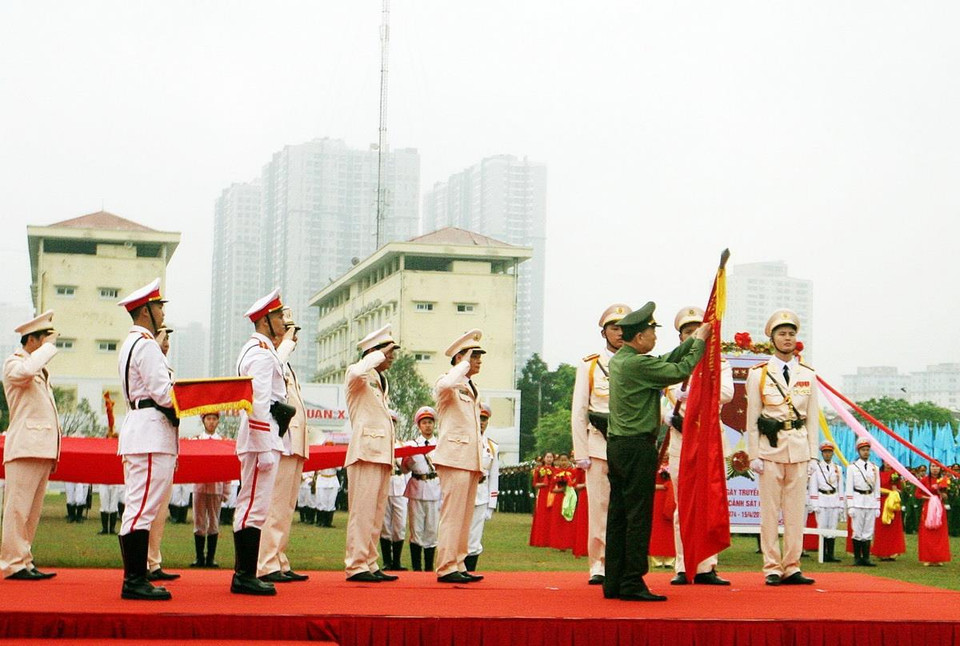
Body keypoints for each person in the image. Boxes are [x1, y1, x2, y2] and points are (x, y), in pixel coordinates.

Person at [605, 302, 709, 602]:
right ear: (639, 338)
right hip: (637, 446)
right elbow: (680, 369)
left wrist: (691, 339)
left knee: (619, 515)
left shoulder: (623, 360)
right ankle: (632, 581)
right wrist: (700, 343)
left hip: (619, 446)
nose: (654, 336)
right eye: (651, 331)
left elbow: (664, 358)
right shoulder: (637, 364)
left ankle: (615, 580)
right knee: (638, 517)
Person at [115, 279, 178, 600]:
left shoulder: (131, 342)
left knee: (138, 506)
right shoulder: (147, 344)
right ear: (145, 312)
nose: (162, 311)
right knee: (142, 508)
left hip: (141, 429)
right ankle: (134, 580)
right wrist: (193, 399)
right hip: (151, 432)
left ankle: (135, 577)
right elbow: (164, 393)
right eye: (158, 306)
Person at [746, 309, 819, 587]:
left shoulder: (808, 374)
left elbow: (812, 418)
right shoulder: (759, 374)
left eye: (791, 334)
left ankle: (792, 565)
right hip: (770, 449)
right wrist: (754, 454)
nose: (787, 338)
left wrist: (813, 455)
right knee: (769, 512)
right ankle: (772, 567)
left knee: (794, 512)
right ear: (772, 339)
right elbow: (752, 417)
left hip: (798, 448)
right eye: (782, 334)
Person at [664, 306, 734, 586]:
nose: (694, 335)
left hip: (708, 440)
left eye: (698, 331)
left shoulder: (720, 363)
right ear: (681, 337)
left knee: (708, 502)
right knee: (683, 505)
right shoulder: (672, 364)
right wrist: (667, 416)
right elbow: (657, 398)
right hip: (681, 439)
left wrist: (693, 391)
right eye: (688, 332)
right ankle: (683, 565)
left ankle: (707, 566)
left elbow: (727, 394)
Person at [231, 289, 289, 596]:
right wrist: (265, 446)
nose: (282, 320)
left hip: (259, 438)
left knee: (251, 506)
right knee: (253, 507)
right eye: (278, 315)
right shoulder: (262, 354)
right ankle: (245, 575)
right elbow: (258, 402)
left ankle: (245, 573)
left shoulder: (256, 350)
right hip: (260, 439)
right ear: (265, 320)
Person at [570, 304, 630, 585]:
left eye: (623, 327)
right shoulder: (590, 365)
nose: (619, 333)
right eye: (613, 327)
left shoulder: (638, 360)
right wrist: (581, 451)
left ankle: (626, 563)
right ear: (603, 332)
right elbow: (579, 409)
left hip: (629, 445)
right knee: (600, 507)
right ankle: (599, 565)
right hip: (598, 445)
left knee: (629, 509)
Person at [1, 310, 60, 581]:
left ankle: (24, 559)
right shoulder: (14, 363)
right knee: (17, 509)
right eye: (45, 339)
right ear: (33, 341)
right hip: (24, 446)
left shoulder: (39, 371)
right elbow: (25, 370)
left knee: (31, 512)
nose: (51, 344)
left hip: (41, 447)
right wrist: (48, 350)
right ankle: (13, 562)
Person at [343, 324, 399, 583]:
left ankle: (370, 562)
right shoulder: (358, 376)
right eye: (388, 352)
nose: (392, 357)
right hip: (365, 452)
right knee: (362, 512)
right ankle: (356, 564)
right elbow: (357, 370)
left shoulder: (378, 380)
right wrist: (375, 355)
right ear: (373, 352)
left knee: (376, 513)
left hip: (381, 453)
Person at [258, 308, 311, 584]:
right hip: (281, 441)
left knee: (286, 507)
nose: (294, 337)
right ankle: (266, 563)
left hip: (293, 443)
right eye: (289, 330)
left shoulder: (285, 365)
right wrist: (286, 342)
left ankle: (279, 559)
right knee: (275, 506)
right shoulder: (272, 359)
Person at [433, 329, 487, 583]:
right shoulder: (448, 382)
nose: (478, 360)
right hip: (454, 456)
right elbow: (445, 385)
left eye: (478, 356)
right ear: (459, 358)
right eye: (474, 355)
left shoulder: (470, 387)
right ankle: (446, 566)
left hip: (469, 458)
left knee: (465, 517)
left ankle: (459, 562)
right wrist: (462, 363)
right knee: (452, 514)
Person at [145, 327, 180, 584]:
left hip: (167, 442)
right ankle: (142, 565)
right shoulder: (148, 361)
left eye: (167, 340)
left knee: (161, 509)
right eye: (162, 338)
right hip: (150, 439)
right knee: (148, 507)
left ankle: (153, 561)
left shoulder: (167, 369)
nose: (165, 344)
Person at [403, 406, 441, 572]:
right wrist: (409, 462)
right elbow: (404, 470)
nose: (427, 426)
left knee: (432, 530)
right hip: (417, 487)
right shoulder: (412, 445)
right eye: (424, 423)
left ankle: (428, 568)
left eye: (430, 422)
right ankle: (416, 569)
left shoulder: (440, 444)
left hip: (434, 488)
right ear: (419, 426)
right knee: (416, 530)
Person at [191, 412, 228, 568]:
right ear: (203, 421)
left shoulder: (223, 442)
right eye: (208, 419)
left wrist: (226, 490)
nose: (211, 422)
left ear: (218, 421)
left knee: (213, 522)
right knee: (199, 521)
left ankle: (210, 558)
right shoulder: (196, 441)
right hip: (199, 486)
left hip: (216, 486)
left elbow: (228, 468)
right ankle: (199, 557)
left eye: (214, 419)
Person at [466, 403, 499, 571]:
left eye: (484, 419)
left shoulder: (492, 446)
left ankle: (470, 570)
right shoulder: (464, 441)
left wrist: (491, 505)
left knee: (475, 536)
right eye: (479, 418)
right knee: (459, 535)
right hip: (463, 494)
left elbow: (494, 477)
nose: (481, 422)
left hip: (481, 494)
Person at [381, 412, 410, 572]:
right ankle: (387, 561)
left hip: (399, 486)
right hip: (385, 484)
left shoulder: (401, 445)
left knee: (399, 524)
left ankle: (397, 561)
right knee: (384, 525)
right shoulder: (380, 444)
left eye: (393, 423)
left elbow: (407, 470)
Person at [846, 439, 881, 566]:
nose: (866, 452)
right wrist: (850, 505)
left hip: (870, 500)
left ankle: (866, 558)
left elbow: (877, 488)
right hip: (857, 500)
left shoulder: (874, 468)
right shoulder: (852, 467)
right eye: (863, 450)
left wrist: (878, 506)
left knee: (868, 530)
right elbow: (849, 487)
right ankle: (857, 557)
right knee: (857, 530)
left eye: (867, 450)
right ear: (858, 451)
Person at [808, 442, 844, 563]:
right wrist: (814, 503)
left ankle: (831, 554)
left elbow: (840, 487)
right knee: (822, 527)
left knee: (832, 527)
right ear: (822, 453)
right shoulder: (816, 468)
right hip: (822, 498)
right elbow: (813, 486)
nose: (827, 454)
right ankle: (823, 554)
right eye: (825, 452)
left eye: (829, 452)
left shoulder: (837, 468)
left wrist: (841, 503)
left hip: (833, 498)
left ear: (832, 453)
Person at [916, 463, 951, 566]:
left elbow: (946, 496)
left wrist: (943, 495)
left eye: (937, 466)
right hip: (928, 507)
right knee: (927, 532)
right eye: (932, 466)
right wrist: (930, 498)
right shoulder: (925, 480)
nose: (935, 469)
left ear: (940, 468)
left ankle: (939, 557)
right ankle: (927, 557)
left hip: (939, 508)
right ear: (929, 468)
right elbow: (917, 494)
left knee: (940, 532)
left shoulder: (944, 480)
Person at [873, 461, 906, 561]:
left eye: (889, 462)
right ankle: (881, 551)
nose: (888, 464)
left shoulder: (895, 474)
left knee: (893, 527)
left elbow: (901, 489)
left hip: (892, 502)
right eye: (886, 462)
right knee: (881, 526)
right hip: (882, 501)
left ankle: (893, 551)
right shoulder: (878, 473)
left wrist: (895, 490)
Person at [529, 452, 555, 547]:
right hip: (543, 494)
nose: (549, 459)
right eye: (547, 457)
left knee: (551, 516)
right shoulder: (539, 470)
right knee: (541, 515)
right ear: (544, 459)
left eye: (551, 457)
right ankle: (540, 539)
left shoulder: (555, 470)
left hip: (552, 493)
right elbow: (535, 484)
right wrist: (543, 484)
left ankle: (551, 539)